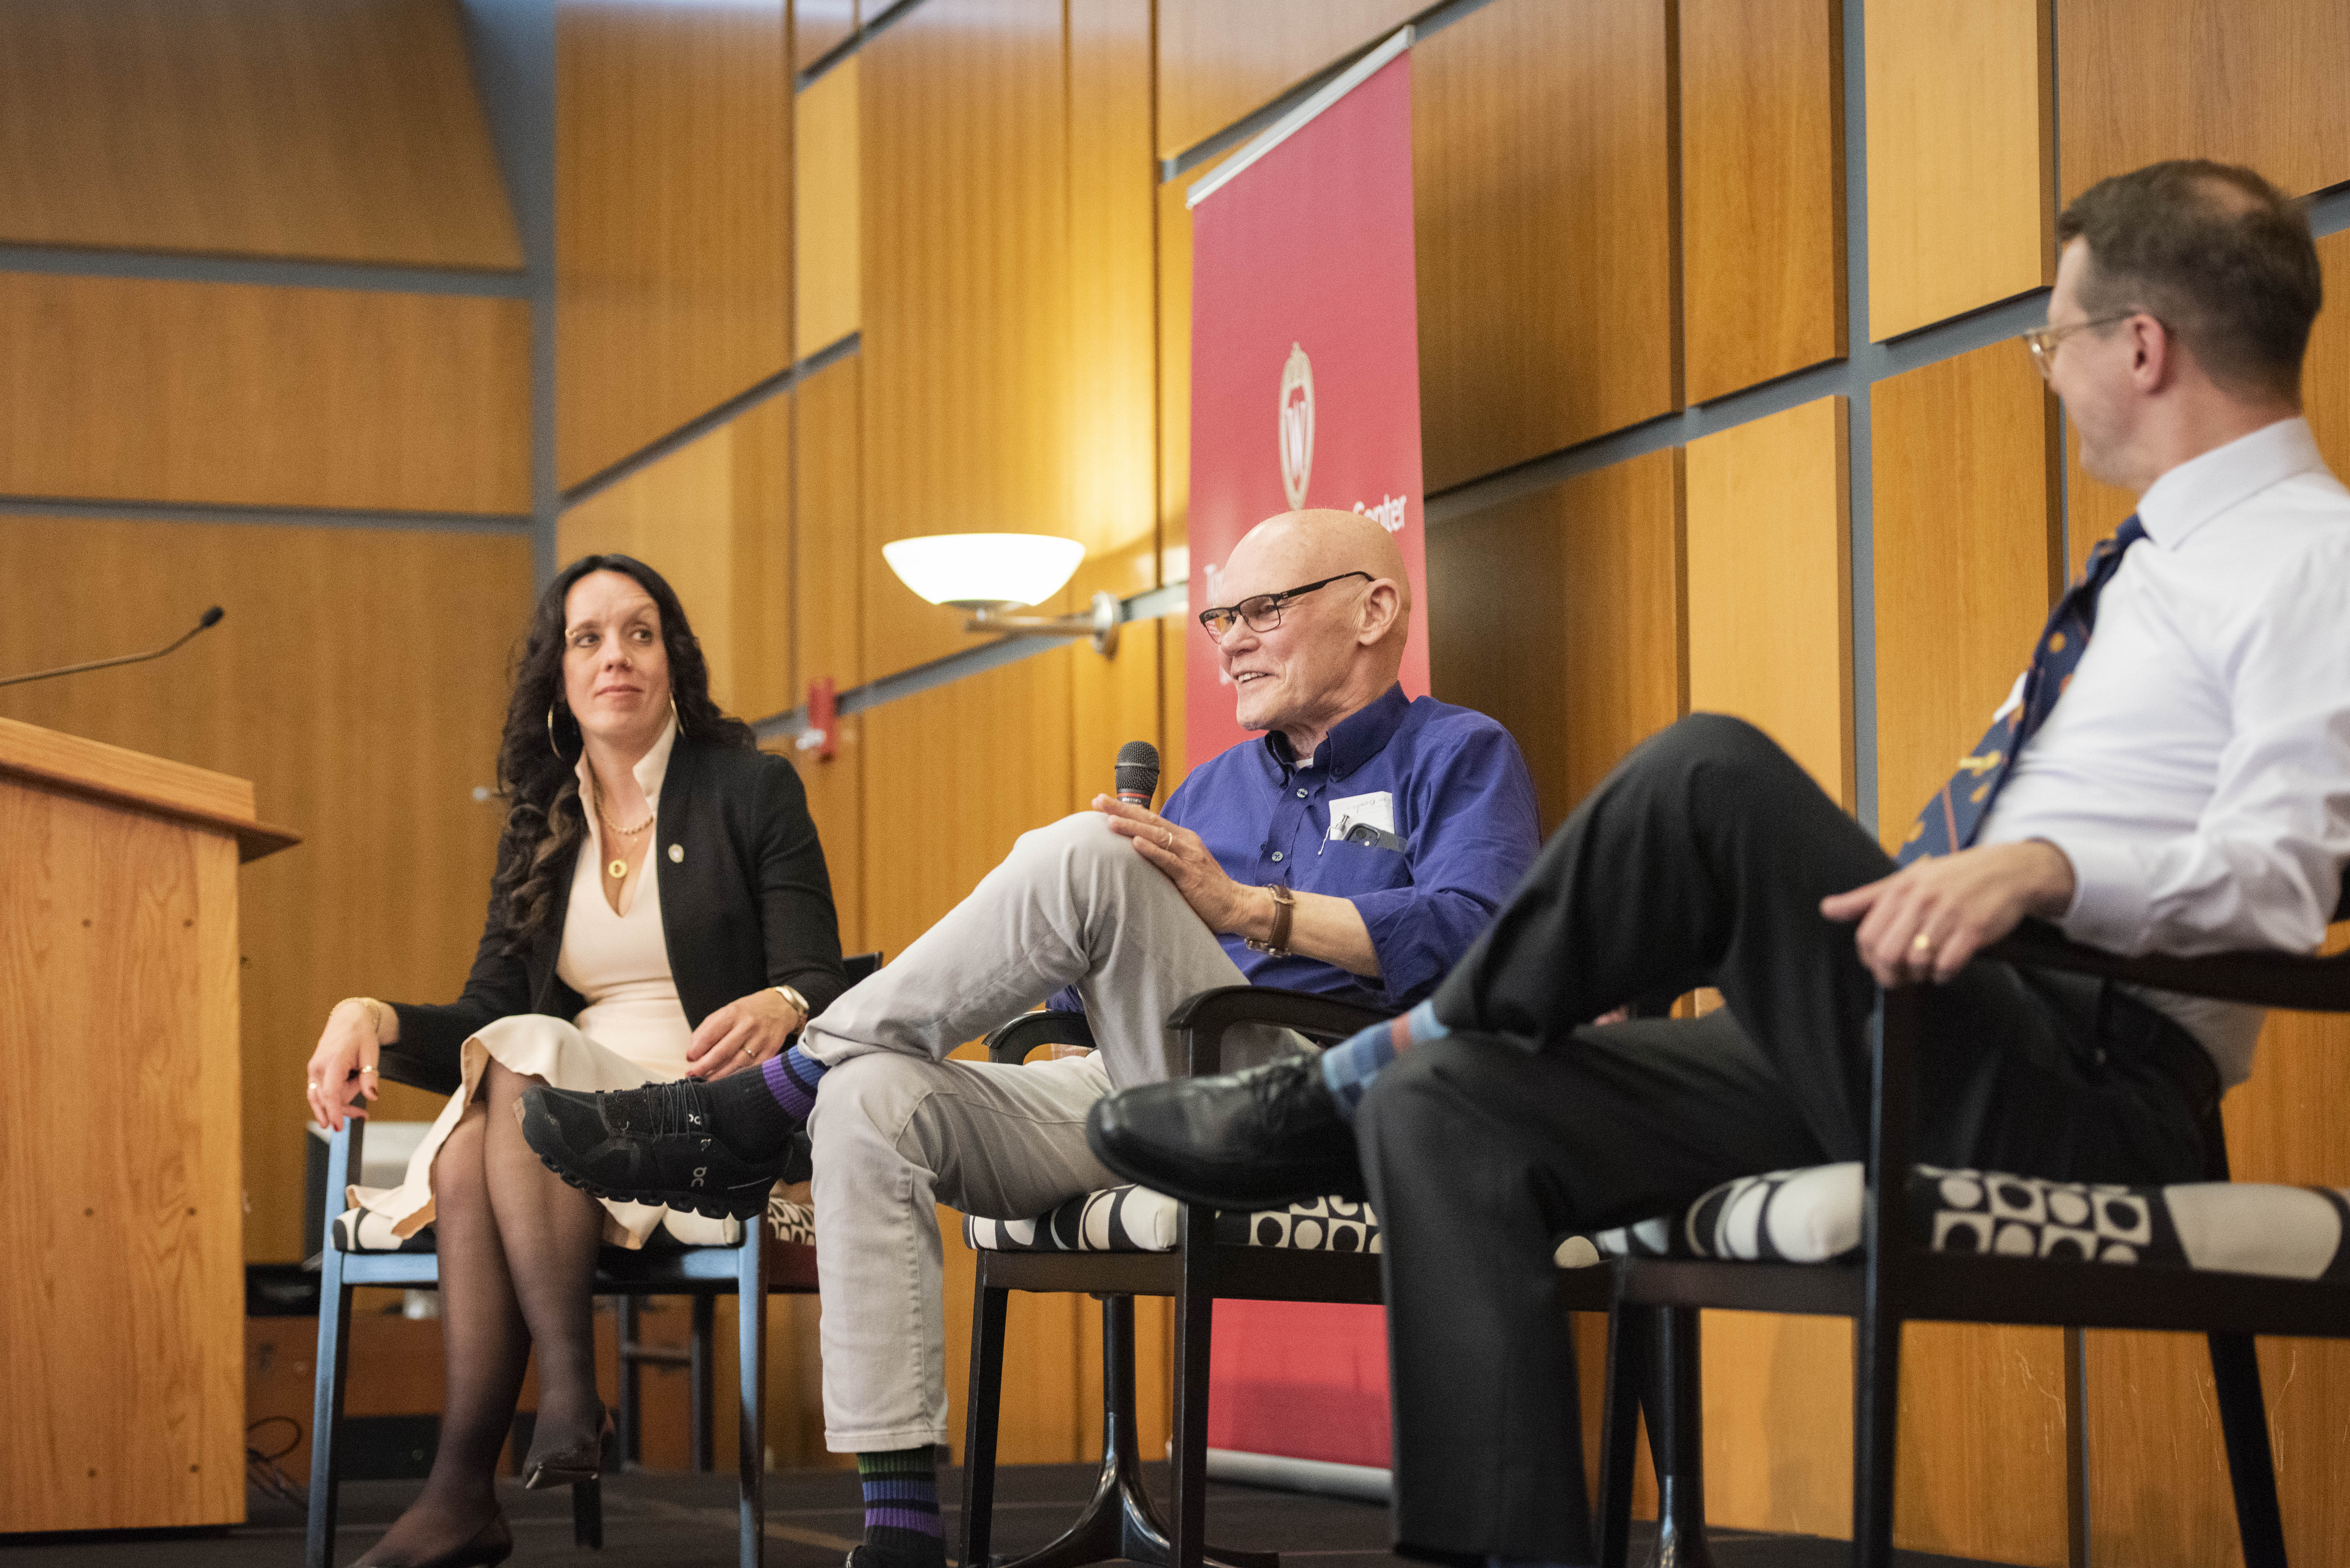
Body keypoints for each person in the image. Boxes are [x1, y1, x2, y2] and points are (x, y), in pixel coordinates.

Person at [1087, 160, 2350, 1566]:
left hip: (2084, 1082)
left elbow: (2286, 874)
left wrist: (2045, 867)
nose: (2045, 372)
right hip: (1930, 1028)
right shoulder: (2147, 573)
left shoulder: (2312, 561)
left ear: (2139, 345)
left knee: (1707, 773)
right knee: (1448, 1104)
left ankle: (1338, 1079)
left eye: (2049, 339)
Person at [519, 509, 1541, 1568]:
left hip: (1329, 1096)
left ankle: (766, 1100)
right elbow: (1061, 959)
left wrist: (1250, 911)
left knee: (1092, 851)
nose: (1230, 637)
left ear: (1375, 608)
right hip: (1151, 1078)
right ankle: (902, 1529)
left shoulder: (1459, 754)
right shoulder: (1219, 787)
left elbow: (1487, 938)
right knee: (875, 1100)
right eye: (1219, 615)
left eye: (1262, 609)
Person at [304, 554, 847, 1568]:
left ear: (672, 660)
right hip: (558, 1097)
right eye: (588, 638)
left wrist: (783, 1003)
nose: (615, 658)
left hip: (706, 1101)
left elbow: (817, 969)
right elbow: (487, 1012)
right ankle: (493, 1466)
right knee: (491, 1116)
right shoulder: (542, 821)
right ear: (559, 675)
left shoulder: (751, 788)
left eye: (639, 633)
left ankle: (525, 1427)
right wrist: (366, 1010)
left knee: (512, 1087)